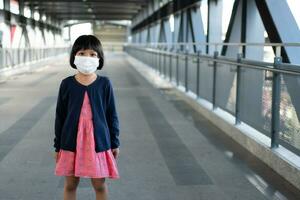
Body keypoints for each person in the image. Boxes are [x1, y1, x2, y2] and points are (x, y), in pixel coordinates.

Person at [53, 35, 120, 200]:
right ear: (74, 56)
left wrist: (114, 142)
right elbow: (60, 116)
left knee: (99, 185)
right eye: (82, 53)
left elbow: (112, 114)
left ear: (99, 58)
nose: (87, 58)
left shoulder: (104, 84)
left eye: (92, 54)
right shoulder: (66, 84)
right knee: (70, 185)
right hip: (71, 142)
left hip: (98, 142)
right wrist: (57, 146)